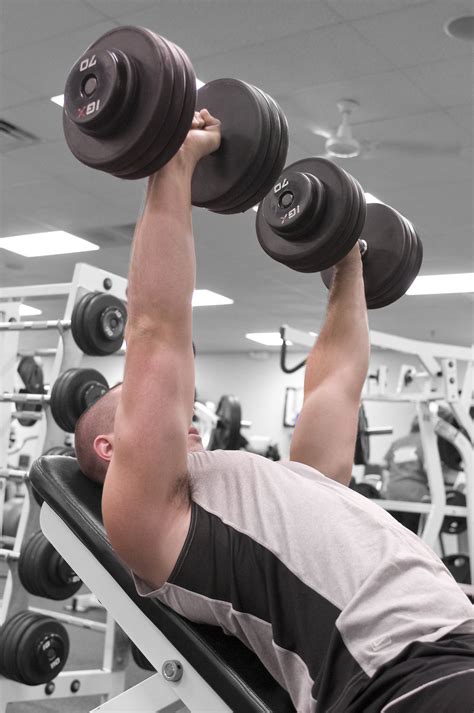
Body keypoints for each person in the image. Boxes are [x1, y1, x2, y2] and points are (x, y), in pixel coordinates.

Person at [74, 110, 474, 713]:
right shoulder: (145, 518)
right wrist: (173, 167)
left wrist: (347, 264)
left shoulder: (284, 481)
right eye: (130, 402)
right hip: (397, 680)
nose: (182, 409)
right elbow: (157, 333)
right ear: (112, 446)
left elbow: (336, 382)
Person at [382, 416, 428, 534]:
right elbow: (428, 468)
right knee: (409, 537)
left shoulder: (398, 442)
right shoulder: (426, 443)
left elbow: (384, 466)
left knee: (393, 535)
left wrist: (385, 488)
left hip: (393, 493)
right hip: (414, 494)